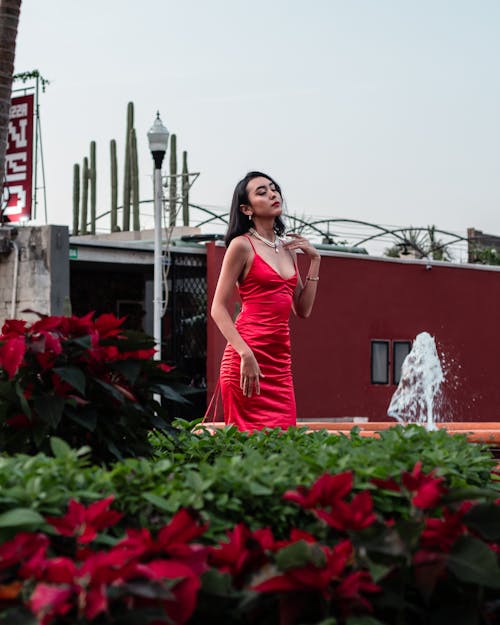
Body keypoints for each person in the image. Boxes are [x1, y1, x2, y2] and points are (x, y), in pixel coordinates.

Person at [210, 171, 321, 431]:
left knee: (285, 450)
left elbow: (302, 310)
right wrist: (245, 353)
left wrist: (315, 261)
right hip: (247, 361)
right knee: (248, 454)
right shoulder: (241, 246)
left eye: (274, 189)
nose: (272, 194)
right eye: (262, 192)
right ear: (247, 209)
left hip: (280, 367)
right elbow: (218, 308)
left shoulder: (288, 250)